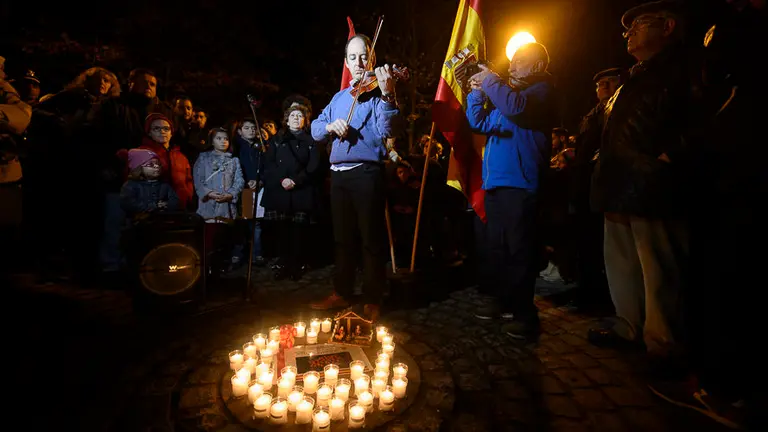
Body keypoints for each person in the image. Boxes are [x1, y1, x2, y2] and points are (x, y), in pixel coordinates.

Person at [466, 42, 556, 339]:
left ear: (538, 67)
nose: (513, 65)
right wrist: (477, 92)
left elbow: (515, 108)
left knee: (520, 251)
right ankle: (503, 301)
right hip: (497, 184)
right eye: (512, 60)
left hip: (521, 184)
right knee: (499, 249)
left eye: (520, 60)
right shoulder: (508, 98)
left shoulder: (541, 93)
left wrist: (490, 79)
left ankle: (524, 315)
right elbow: (478, 121)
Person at [309, 34, 402, 321]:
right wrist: (329, 126)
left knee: (371, 239)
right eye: (353, 57)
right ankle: (342, 291)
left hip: (366, 174)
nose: (359, 62)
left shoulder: (377, 95)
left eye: (364, 56)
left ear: (372, 60)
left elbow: (388, 129)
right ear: (346, 63)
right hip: (339, 177)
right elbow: (314, 129)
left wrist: (387, 95)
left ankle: (373, 296)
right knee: (342, 239)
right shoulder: (339, 98)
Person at [262, 104, 320, 280]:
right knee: (281, 231)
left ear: (305, 120)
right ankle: (283, 264)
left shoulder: (311, 142)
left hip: (300, 191)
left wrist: (296, 180)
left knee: (298, 232)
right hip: (280, 192)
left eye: (300, 116)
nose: (296, 118)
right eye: (293, 115)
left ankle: (296, 265)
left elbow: (314, 166)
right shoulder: (276, 140)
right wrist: (282, 179)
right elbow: (269, 164)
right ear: (286, 120)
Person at [119, 148, 180, 217]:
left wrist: (166, 205)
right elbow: (127, 203)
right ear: (138, 168)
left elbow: (175, 200)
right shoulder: (131, 185)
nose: (156, 166)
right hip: (137, 222)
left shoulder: (164, 185)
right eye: (151, 165)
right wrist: (153, 206)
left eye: (158, 164)